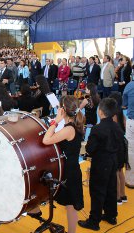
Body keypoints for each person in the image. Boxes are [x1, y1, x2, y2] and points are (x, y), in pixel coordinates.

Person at [78, 98, 125, 230]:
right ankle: (111, 215)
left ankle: (94, 221)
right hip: (113, 161)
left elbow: (90, 149)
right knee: (111, 188)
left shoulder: (98, 129)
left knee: (97, 191)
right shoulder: (117, 127)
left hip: (101, 163)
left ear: (100, 112)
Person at [40, 96, 85, 233]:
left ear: (63, 110)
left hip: (69, 172)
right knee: (69, 206)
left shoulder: (69, 129)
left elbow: (46, 140)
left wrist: (56, 120)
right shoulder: (73, 125)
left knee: (70, 206)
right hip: (70, 169)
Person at [109, 92, 128, 205]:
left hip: (115, 145)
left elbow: (113, 129)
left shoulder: (113, 115)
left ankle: (117, 197)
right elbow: (124, 126)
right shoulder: (122, 113)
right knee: (120, 170)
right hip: (122, 144)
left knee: (115, 171)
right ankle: (123, 194)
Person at [123, 77, 134, 187]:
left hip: (132, 121)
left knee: (131, 150)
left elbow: (124, 103)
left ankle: (130, 180)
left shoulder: (130, 85)